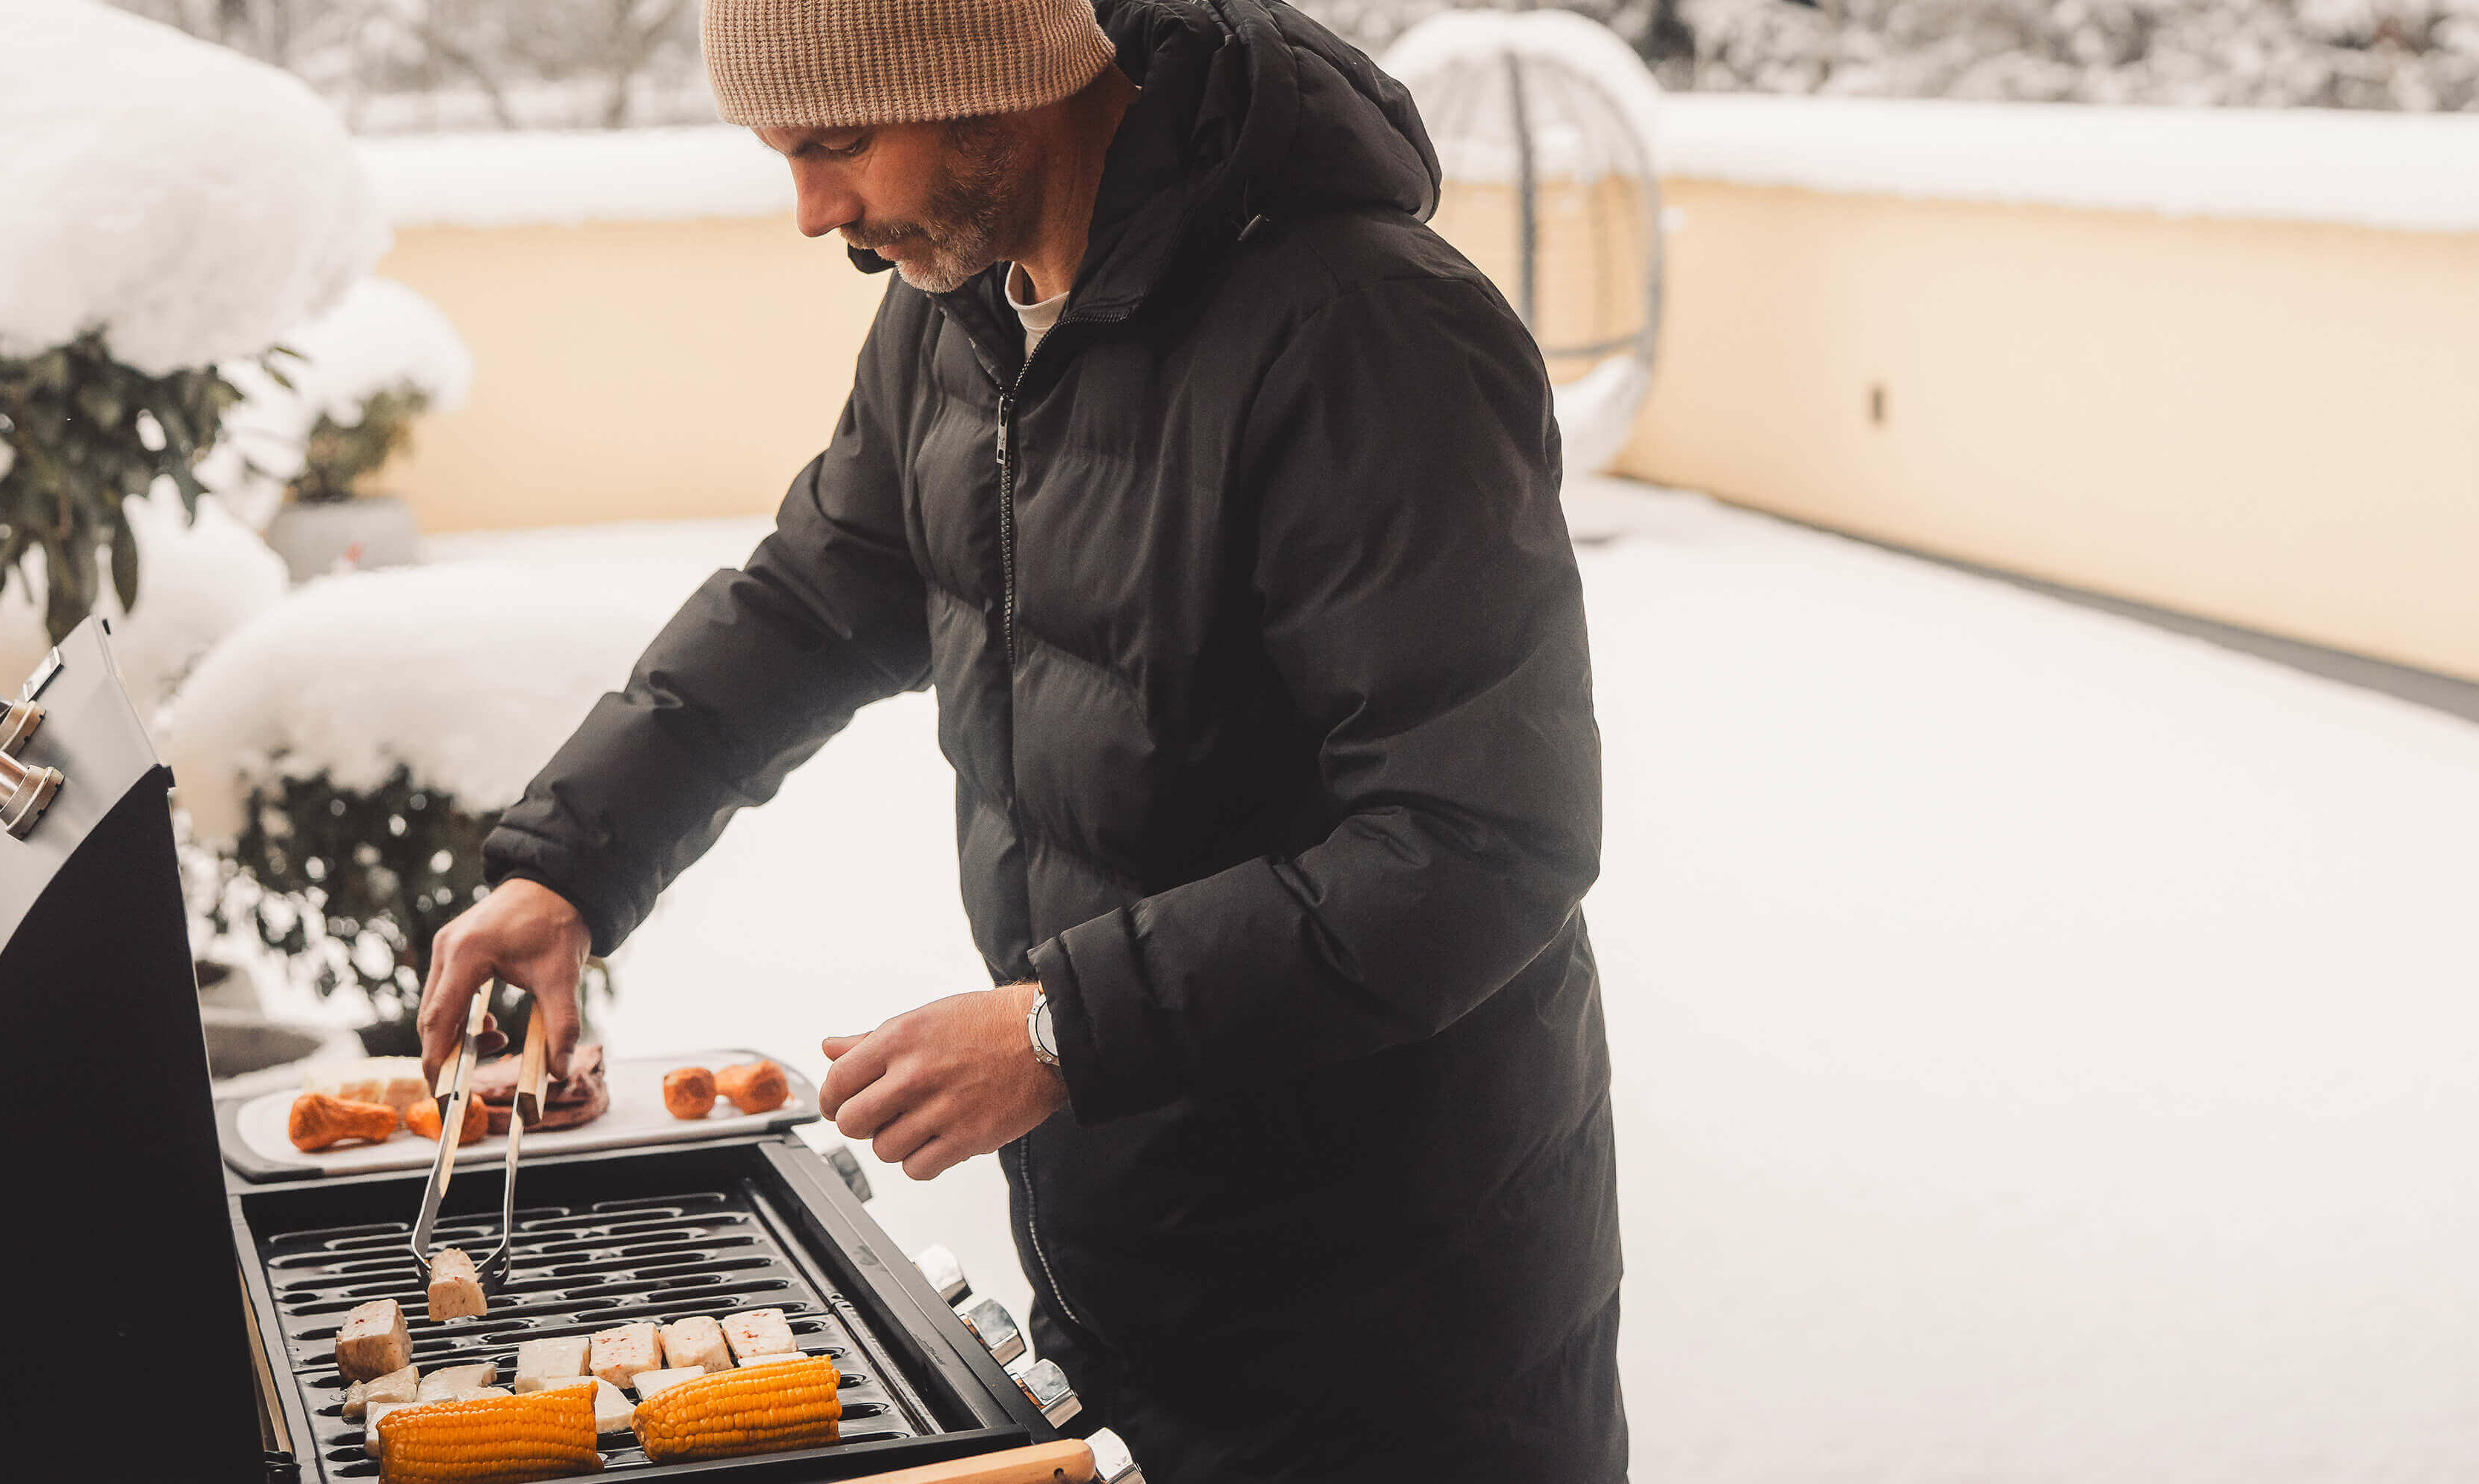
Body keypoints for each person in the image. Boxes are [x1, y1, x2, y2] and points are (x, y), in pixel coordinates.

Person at [418, 0, 1622, 1477]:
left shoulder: (1366, 332)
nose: (812, 212)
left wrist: (1063, 1027)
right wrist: (568, 863)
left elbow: (1481, 843)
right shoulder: (963, 307)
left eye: (836, 142)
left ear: (990, 79)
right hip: (1124, 1242)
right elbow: (816, 598)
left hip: (1394, 1319)